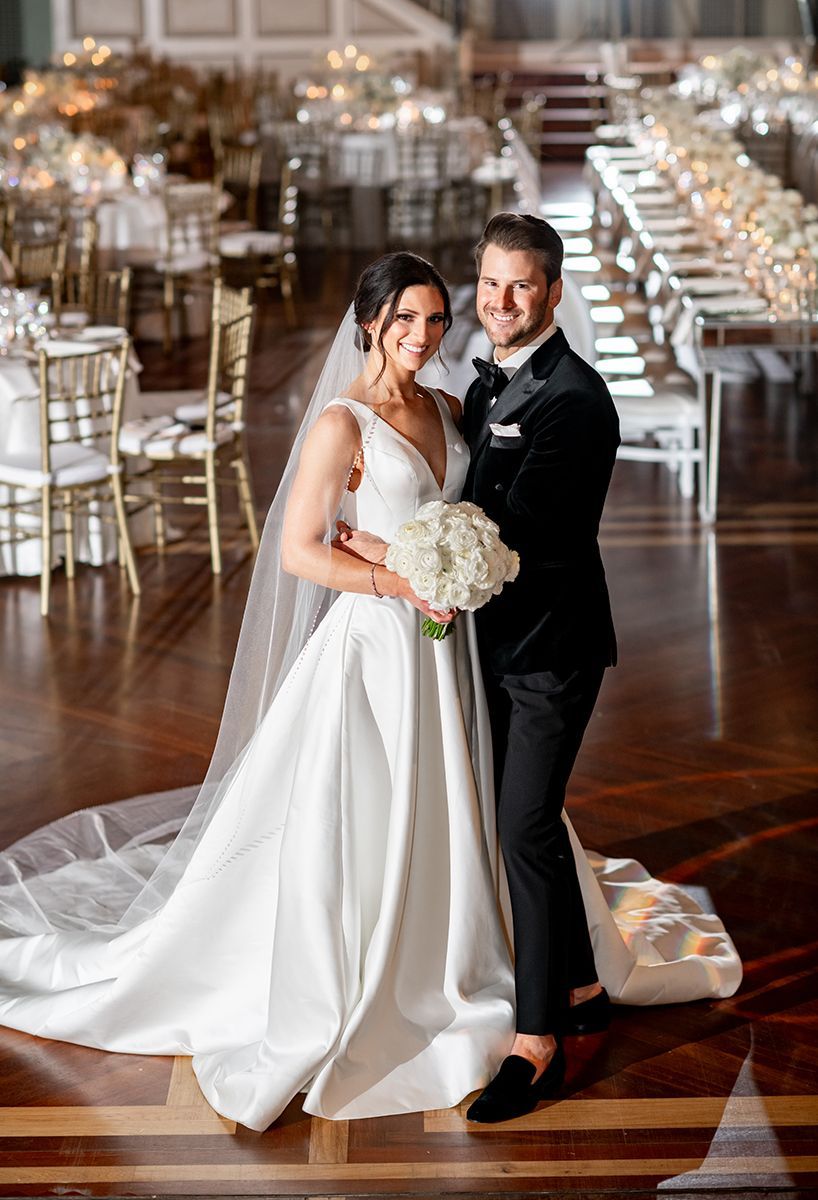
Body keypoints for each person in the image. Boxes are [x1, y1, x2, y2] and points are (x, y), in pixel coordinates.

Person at [0, 252, 741, 1132]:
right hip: (378, 650)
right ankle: (385, 969)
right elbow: (301, 550)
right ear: (369, 324)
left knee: (466, 804)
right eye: (405, 322)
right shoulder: (341, 426)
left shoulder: (448, 405)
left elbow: (462, 518)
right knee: (370, 811)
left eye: (436, 320)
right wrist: (399, 579)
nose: (424, 337)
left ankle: (496, 958)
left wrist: (409, 557)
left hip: (450, 649)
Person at [461, 212, 621, 1122]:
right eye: (489, 284)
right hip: (493, 642)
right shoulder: (487, 386)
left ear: (554, 291)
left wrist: (399, 559)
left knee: (522, 825)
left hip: (551, 651)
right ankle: (586, 989)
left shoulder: (575, 399)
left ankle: (536, 1042)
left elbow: (521, 534)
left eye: (520, 285)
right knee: (527, 818)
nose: (502, 302)